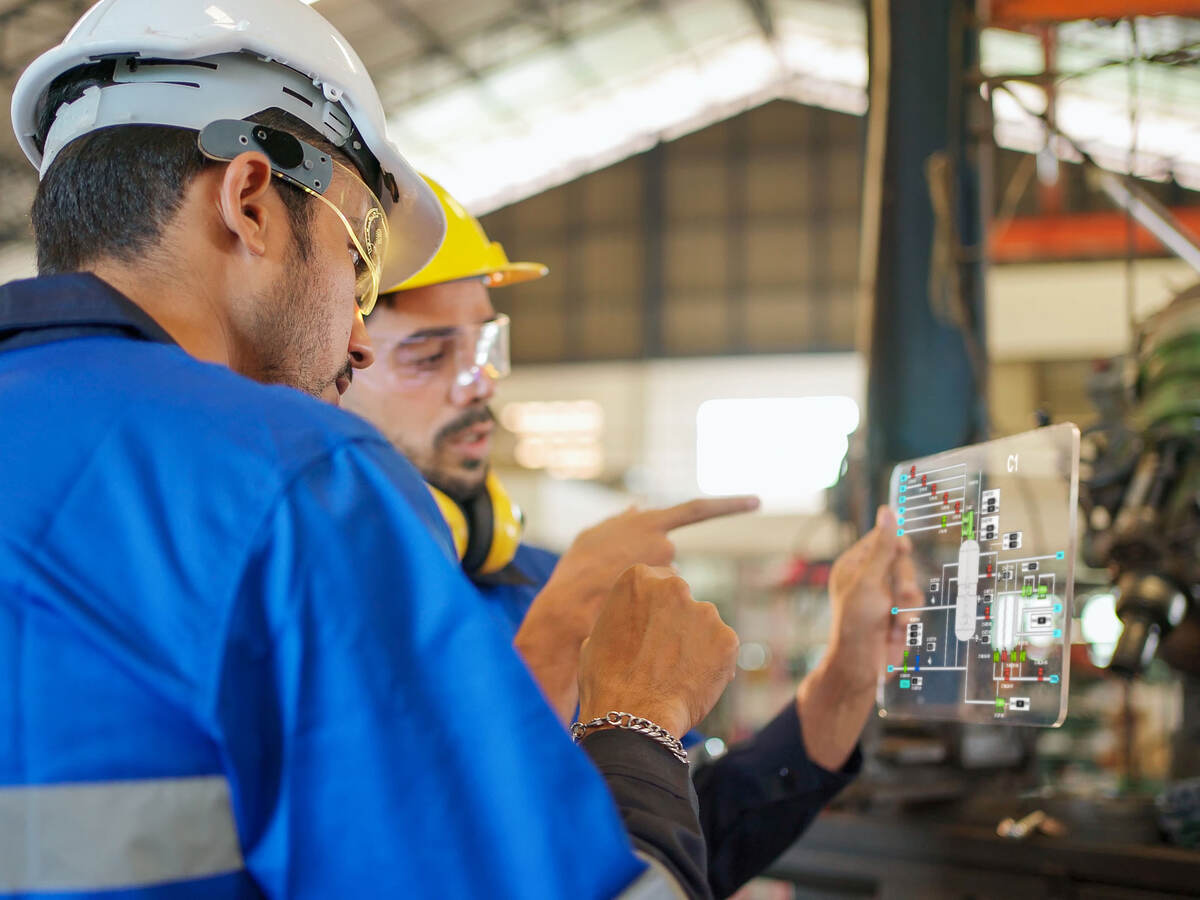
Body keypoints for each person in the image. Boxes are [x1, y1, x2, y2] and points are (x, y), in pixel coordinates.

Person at [0, 1, 754, 897]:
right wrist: (641, 720)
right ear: (250, 200)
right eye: (359, 260)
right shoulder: (295, 480)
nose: (358, 340)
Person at [343, 178, 923, 898]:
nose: (478, 384)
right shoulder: (317, 607)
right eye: (430, 356)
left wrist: (847, 671)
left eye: (487, 345)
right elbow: (431, 852)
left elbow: (669, 836)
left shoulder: (536, 578)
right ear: (337, 363)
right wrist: (557, 632)